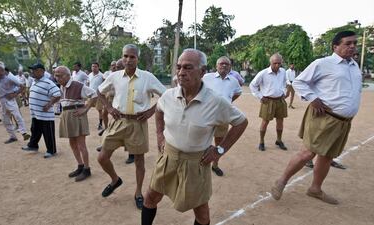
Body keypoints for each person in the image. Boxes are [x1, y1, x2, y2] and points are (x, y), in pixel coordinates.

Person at [141, 49, 248, 225]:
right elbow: (159, 111)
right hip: (168, 157)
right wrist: (160, 135)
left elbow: (241, 122)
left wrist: (220, 150)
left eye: (188, 67)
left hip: (196, 163)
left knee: (202, 213)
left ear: (203, 72)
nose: (181, 72)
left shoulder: (216, 101)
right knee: (150, 197)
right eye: (179, 67)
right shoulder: (168, 96)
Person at [270, 31, 361, 205]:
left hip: (343, 122)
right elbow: (299, 82)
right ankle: (281, 181)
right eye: (348, 43)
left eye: (354, 44)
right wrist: (313, 98)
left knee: (327, 156)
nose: (352, 47)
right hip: (323, 117)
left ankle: (315, 189)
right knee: (308, 153)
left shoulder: (354, 66)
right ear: (335, 46)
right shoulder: (323, 63)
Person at [97, 44, 166, 209]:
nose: (128, 60)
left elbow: (166, 95)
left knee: (139, 162)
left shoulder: (147, 77)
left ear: (137, 59)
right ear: (122, 56)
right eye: (125, 56)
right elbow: (99, 92)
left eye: (132, 57)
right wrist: (109, 107)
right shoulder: (114, 76)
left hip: (138, 124)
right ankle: (115, 180)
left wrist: (151, 111)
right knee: (102, 157)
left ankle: (138, 192)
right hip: (118, 121)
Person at [202, 56, 242, 177]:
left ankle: (215, 164)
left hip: (223, 116)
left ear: (230, 67)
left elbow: (238, 92)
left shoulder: (234, 81)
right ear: (216, 66)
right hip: (206, 114)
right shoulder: (207, 77)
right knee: (203, 140)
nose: (224, 66)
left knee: (219, 141)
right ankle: (201, 163)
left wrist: (227, 102)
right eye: (221, 64)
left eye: (227, 64)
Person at [21, 63, 61, 158]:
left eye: (34, 70)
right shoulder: (35, 81)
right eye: (32, 70)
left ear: (41, 71)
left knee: (48, 133)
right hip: (36, 113)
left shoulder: (48, 83)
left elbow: (57, 94)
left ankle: (51, 150)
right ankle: (33, 145)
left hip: (45, 114)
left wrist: (49, 104)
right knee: (35, 130)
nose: (32, 72)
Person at [249, 53, 288, 151]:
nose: (277, 65)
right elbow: (252, 85)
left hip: (280, 100)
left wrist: (284, 91)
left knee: (280, 121)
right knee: (265, 122)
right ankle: (261, 142)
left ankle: (279, 140)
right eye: (275, 63)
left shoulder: (283, 71)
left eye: (279, 63)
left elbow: (284, 82)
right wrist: (260, 96)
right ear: (270, 62)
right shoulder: (263, 73)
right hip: (268, 101)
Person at [0, 61, 31, 143]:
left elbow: (22, 86)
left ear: (2, 70)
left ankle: (24, 133)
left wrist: (15, 94)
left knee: (17, 116)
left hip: (10, 101)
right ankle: (12, 137)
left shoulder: (10, 78)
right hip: (1, 102)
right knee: (5, 120)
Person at [88, 62, 106, 130]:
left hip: (98, 95)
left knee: (100, 110)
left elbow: (105, 85)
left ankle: (100, 124)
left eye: (95, 66)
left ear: (98, 67)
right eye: (92, 66)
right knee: (86, 107)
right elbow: (88, 84)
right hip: (91, 95)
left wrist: (103, 93)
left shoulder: (102, 75)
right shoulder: (89, 75)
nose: (93, 68)